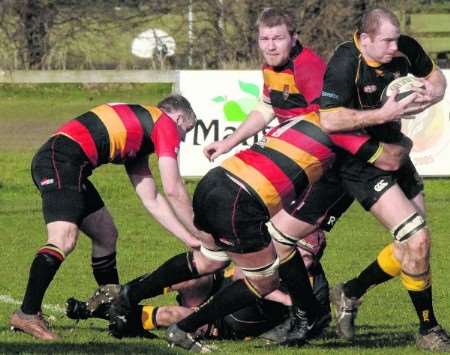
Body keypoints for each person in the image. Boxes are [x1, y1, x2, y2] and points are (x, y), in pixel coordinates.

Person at [202, 6, 413, 343]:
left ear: (294, 37)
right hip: (296, 169)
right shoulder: (273, 68)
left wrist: (374, 153)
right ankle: (311, 313)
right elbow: (266, 107)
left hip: (323, 170)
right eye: (264, 39)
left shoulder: (310, 68)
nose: (270, 46)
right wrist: (229, 141)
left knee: (299, 246)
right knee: (285, 244)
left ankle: (310, 316)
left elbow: (332, 123)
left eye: (278, 39)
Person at [108, 110, 391, 352]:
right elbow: (389, 161)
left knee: (211, 260)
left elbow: (268, 114)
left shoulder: (308, 116)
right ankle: (183, 328)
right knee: (263, 280)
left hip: (215, 181)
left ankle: (128, 294)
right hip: (239, 202)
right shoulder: (341, 130)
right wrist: (387, 118)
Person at [9, 94, 205, 340]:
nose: (183, 139)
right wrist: (200, 231)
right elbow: (173, 188)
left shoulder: (142, 140)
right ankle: (27, 314)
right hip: (60, 162)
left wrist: (189, 238)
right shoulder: (165, 123)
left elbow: (151, 198)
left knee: (106, 234)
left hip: (67, 164)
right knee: (63, 239)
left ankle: (113, 310)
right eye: (185, 131)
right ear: (177, 118)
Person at [319, 7, 449, 351]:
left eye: (396, 39)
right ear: (364, 39)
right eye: (387, 41)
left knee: (415, 245)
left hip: (394, 149)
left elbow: (438, 81)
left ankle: (351, 292)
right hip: (358, 160)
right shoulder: (346, 62)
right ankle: (428, 330)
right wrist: (384, 113)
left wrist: (427, 95)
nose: (395, 46)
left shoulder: (404, 47)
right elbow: (329, 120)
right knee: (416, 240)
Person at [66, 230, 329, 342]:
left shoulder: (316, 284)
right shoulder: (272, 256)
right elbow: (240, 275)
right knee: (192, 275)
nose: (303, 261)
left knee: (173, 316)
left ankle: (97, 311)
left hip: (229, 323)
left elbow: (317, 322)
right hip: (219, 291)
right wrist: (287, 300)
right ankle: (123, 294)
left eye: (310, 258)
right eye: (300, 254)